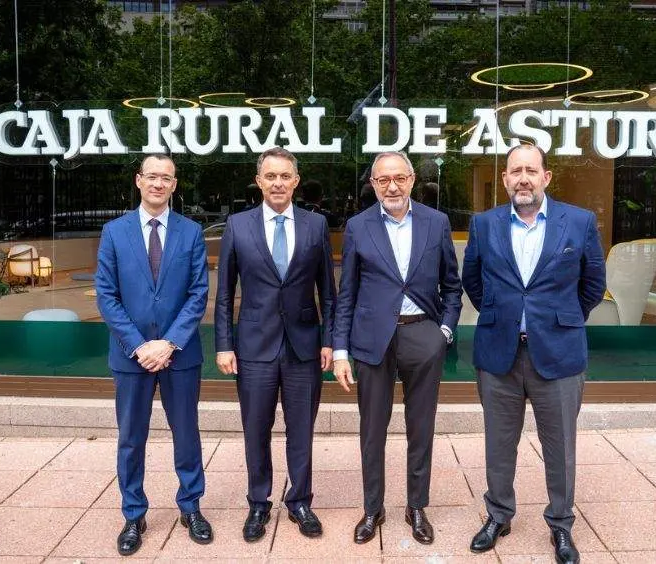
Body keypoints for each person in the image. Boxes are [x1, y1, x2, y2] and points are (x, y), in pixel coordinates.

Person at [461, 144, 606, 563]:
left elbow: (593, 284)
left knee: (560, 446)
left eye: (531, 170)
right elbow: (473, 279)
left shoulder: (577, 222)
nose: (523, 178)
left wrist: (559, 320)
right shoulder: (484, 224)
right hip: (498, 355)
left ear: (546, 177)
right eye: (515, 171)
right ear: (505, 180)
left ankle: (561, 524)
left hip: (558, 355)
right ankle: (499, 515)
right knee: (498, 443)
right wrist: (501, 315)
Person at [333, 151, 463, 546]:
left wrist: (444, 332)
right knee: (372, 431)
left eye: (399, 178)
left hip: (422, 335)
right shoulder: (358, 226)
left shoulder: (436, 222)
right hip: (373, 341)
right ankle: (373, 508)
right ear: (372, 184)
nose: (392, 186)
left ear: (411, 180)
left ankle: (416, 506)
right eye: (383, 179)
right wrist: (340, 350)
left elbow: (452, 287)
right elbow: (347, 294)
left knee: (420, 429)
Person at [214, 147, 336, 542]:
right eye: (271, 176)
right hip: (253, 347)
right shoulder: (238, 225)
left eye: (285, 176)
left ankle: (300, 500)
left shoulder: (316, 227)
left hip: (304, 346)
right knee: (256, 429)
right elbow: (224, 293)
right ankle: (258, 502)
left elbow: (328, 293)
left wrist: (330, 340)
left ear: (296, 181)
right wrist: (224, 344)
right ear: (259, 180)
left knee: (301, 429)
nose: (278, 183)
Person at [95, 154, 212, 555]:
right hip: (132, 356)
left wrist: (170, 342)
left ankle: (191, 507)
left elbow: (199, 293)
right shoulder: (114, 232)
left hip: (180, 355)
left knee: (187, 434)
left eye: (167, 178)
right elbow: (106, 296)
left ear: (175, 185)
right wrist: (140, 345)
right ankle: (133, 513)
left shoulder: (192, 232)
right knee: (131, 438)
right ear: (138, 181)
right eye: (152, 177)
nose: (159, 184)